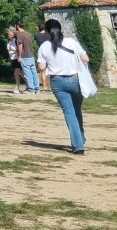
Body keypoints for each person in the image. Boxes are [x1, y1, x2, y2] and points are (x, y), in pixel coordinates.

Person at [37, 18, 90, 154]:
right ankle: (80, 137)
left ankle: (78, 145)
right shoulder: (71, 42)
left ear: (47, 32)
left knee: (69, 112)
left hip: (57, 82)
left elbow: (42, 67)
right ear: (61, 30)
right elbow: (86, 59)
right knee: (77, 110)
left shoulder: (44, 47)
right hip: (75, 80)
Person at [14, 21, 40, 94]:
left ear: (17, 26)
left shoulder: (20, 34)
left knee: (27, 73)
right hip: (31, 56)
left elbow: (20, 46)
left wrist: (19, 56)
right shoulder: (28, 34)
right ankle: (37, 89)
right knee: (34, 73)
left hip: (25, 56)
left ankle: (31, 89)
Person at [34, 23, 51, 92]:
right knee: (52, 70)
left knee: (42, 71)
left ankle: (44, 87)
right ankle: (52, 86)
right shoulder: (49, 35)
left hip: (41, 52)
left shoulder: (36, 35)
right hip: (50, 52)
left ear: (38, 28)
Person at [7, 28, 24, 93]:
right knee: (22, 74)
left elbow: (20, 50)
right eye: (8, 34)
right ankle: (29, 86)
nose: (9, 36)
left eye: (10, 34)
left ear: (14, 35)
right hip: (13, 59)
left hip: (18, 58)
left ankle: (17, 87)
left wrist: (14, 50)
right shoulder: (8, 41)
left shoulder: (16, 41)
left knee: (16, 73)